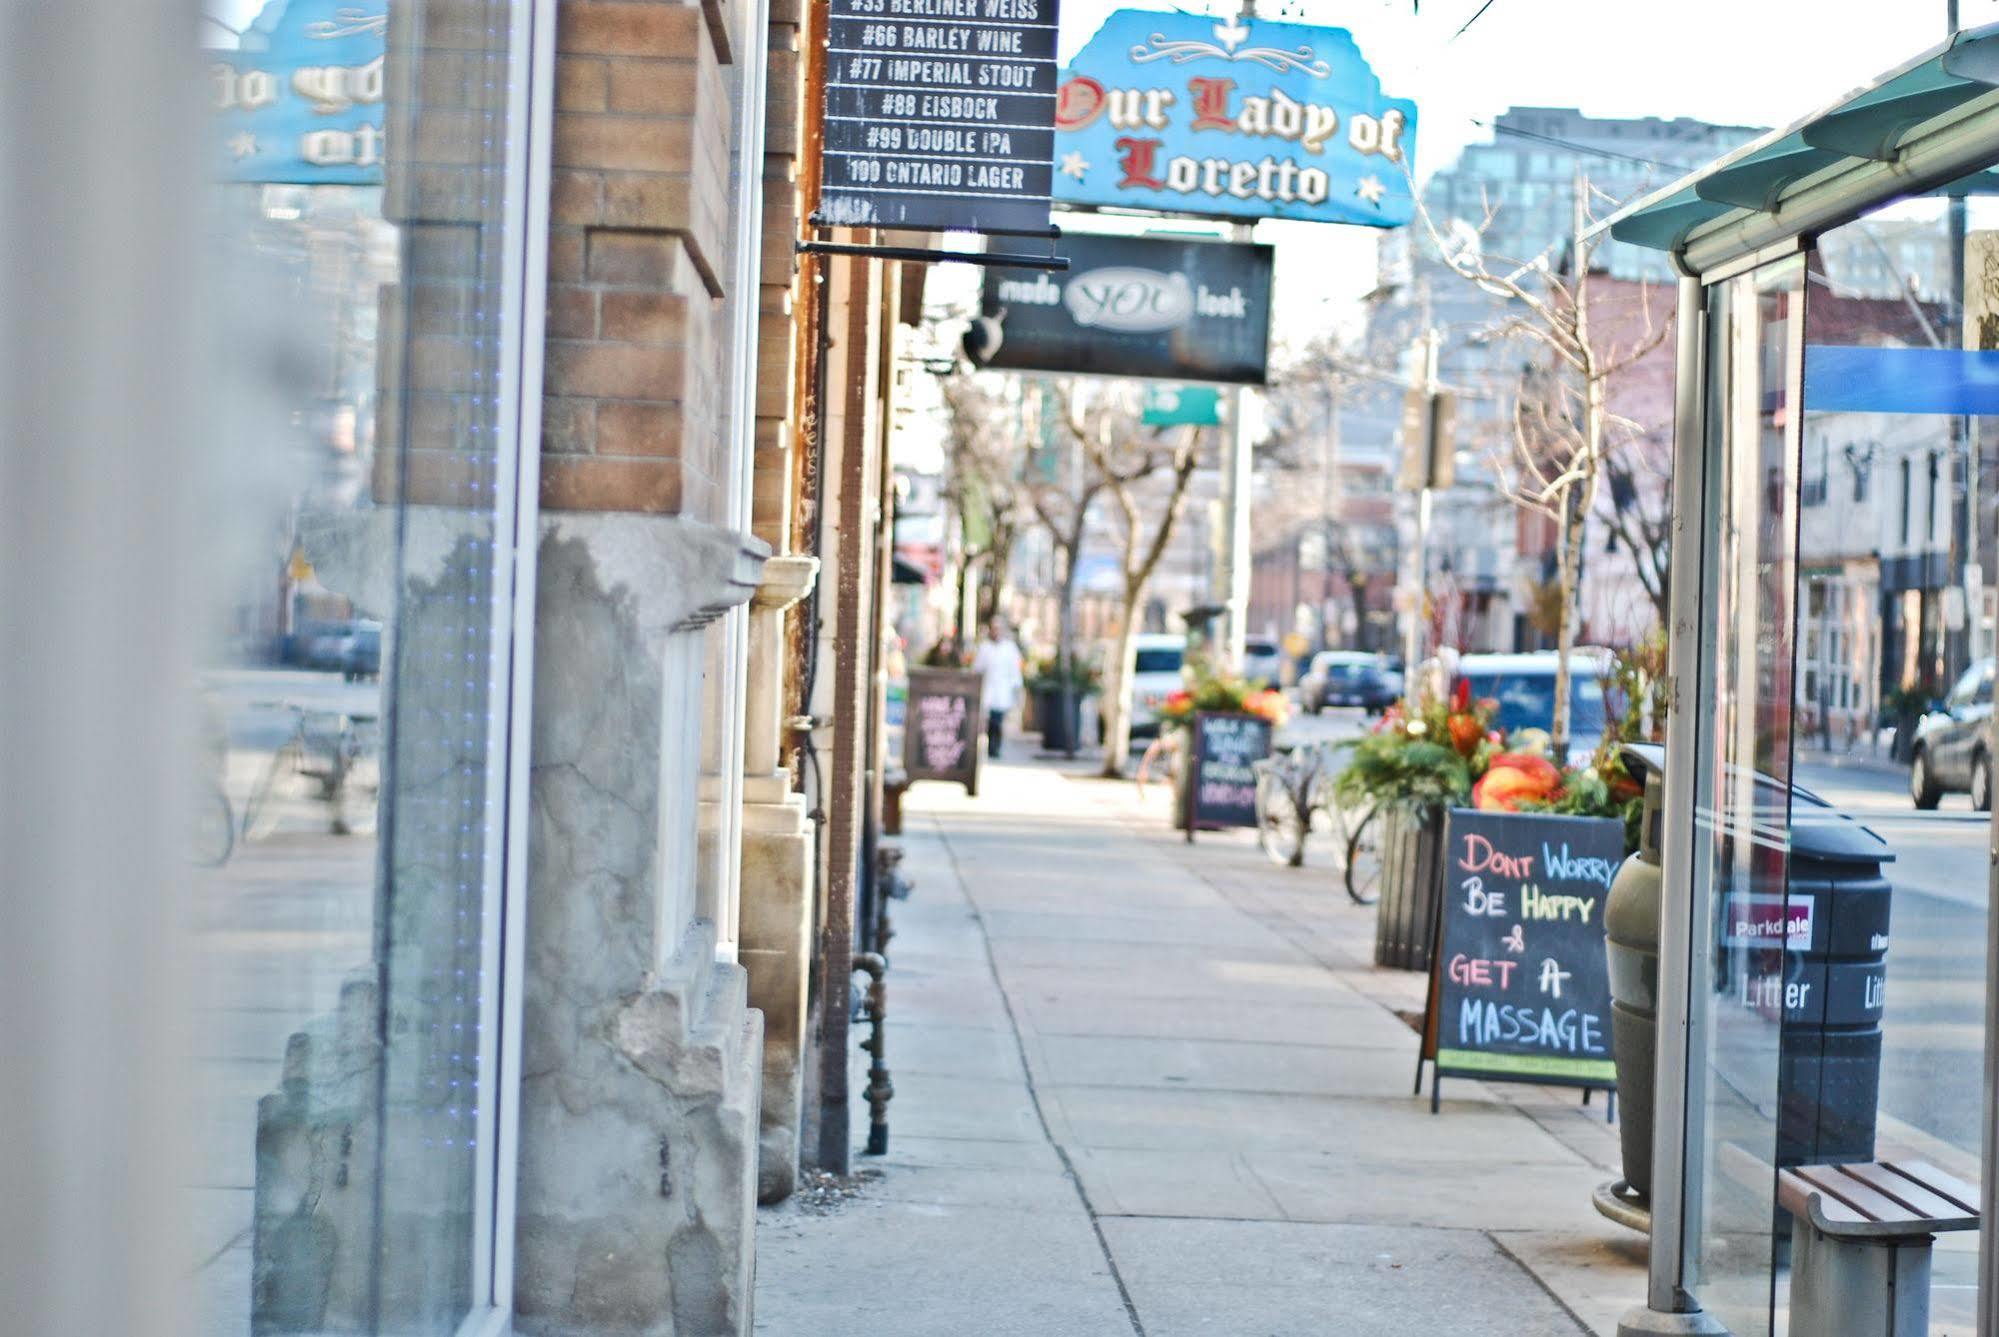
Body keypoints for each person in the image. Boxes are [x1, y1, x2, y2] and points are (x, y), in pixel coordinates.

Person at [970, 617, 1024, 759]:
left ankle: (995, 746)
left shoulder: (1010, 647)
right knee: (991, 720)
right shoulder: (985, 647)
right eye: (994, 629)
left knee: (998, 720)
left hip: (1003, 689)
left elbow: (1015, 668)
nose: (996, 632)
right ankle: (991, 747)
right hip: (989, 689)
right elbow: (977, 668)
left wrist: (1016, 686)